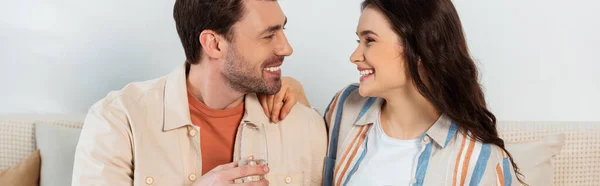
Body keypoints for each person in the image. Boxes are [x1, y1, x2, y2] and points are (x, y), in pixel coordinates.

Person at [261, 0, 526, 185]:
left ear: (419, 50)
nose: (355, 56)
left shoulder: (478, 159)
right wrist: (296, 90)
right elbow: (310, 154)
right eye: (358, 40)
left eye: (370, 40)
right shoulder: (345, 107)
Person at [71, 0, 327, 185]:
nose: (287, 48)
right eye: (268, 35)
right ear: (214, 44)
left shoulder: (306, 127)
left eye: (283, 29)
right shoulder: (118, 121)